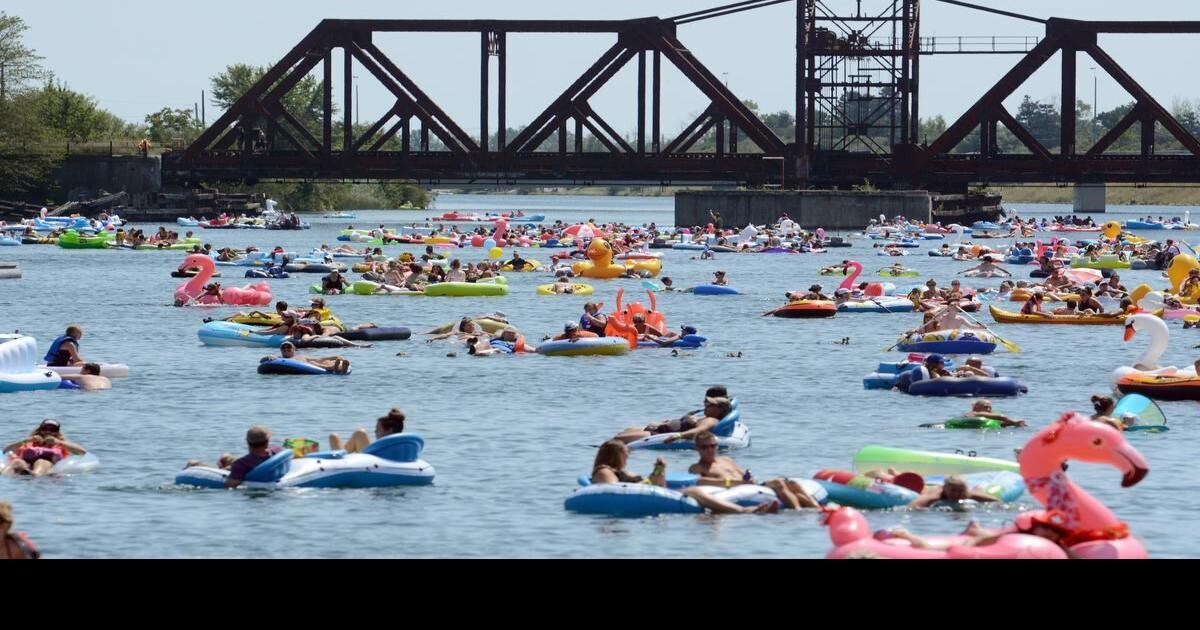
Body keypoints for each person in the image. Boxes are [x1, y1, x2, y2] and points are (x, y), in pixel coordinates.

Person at [688, 432, 818, 510]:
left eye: (713, 446)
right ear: (697, 449)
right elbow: (699, 481)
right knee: (779, 483)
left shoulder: (726, 459)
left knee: (792, 484)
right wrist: (734, 482)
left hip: (751, 486)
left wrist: (748, 476)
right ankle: (798, 512)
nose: (710, 450)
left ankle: (818, 509)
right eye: (705, 447)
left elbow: (742, 473)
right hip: (737, 491)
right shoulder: (697, 467)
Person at [614, 387, 729, 443]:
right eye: (706, 403)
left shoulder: (711, 420)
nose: (706, 405)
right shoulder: (707, 416)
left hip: (660, 434)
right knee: (624, 432)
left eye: (710, 405)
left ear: (719, 410)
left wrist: (678, 436)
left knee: (618, 439)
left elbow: (698, 431)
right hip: (660, 429)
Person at [2, 420, 88, 477]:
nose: (48, 432)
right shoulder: (29, 442)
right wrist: (27, 440)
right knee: (17, 462)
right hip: (25, 464)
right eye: (45, 429)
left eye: (52, 430)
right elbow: (6, 450)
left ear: (57, 433)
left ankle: (34, 477)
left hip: (46, 466)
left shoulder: (60, 444)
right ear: (39, 430)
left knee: (42, 462)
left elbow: (82, 452)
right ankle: (4, 477)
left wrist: (58, 442)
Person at [329, 408, 407, 454]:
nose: (375, 432)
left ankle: (338, 461)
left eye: (377, 429)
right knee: (334, 437)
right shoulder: (405, 446)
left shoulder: (389, 449)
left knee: (360, 433)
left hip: (373, 466)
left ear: (389, 430)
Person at [907, 475, 1000, 508]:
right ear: (945, 489)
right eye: (953, 491)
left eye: (960, 491)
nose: (956, 494)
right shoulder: (937, 494)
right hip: (930, 487)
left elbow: (996, 501)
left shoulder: (967, 494)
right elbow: (914, 505)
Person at [271, 341, 350, 374]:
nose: (286, 349)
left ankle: (340, 367)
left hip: (311, 366)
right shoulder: (279, 359)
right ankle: (333, 367)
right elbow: (266, 361)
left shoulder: (302, 357)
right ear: (281, 350)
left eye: (288, 347)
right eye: (283, 348)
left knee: (324, 361)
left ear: (294, 349)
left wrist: (335, 357)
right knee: (313, 363)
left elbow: (319, 359)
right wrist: (269, 357)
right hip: (308, 366)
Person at [961, 399, 1026, 427]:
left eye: (990, 407)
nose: (989, 409)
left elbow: (1000, 424)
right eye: (986, 407)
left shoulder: (983, 417)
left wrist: (1015, 424)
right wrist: (1014, 422)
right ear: (976, 408)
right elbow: (1001, 417)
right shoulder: (974, 413)